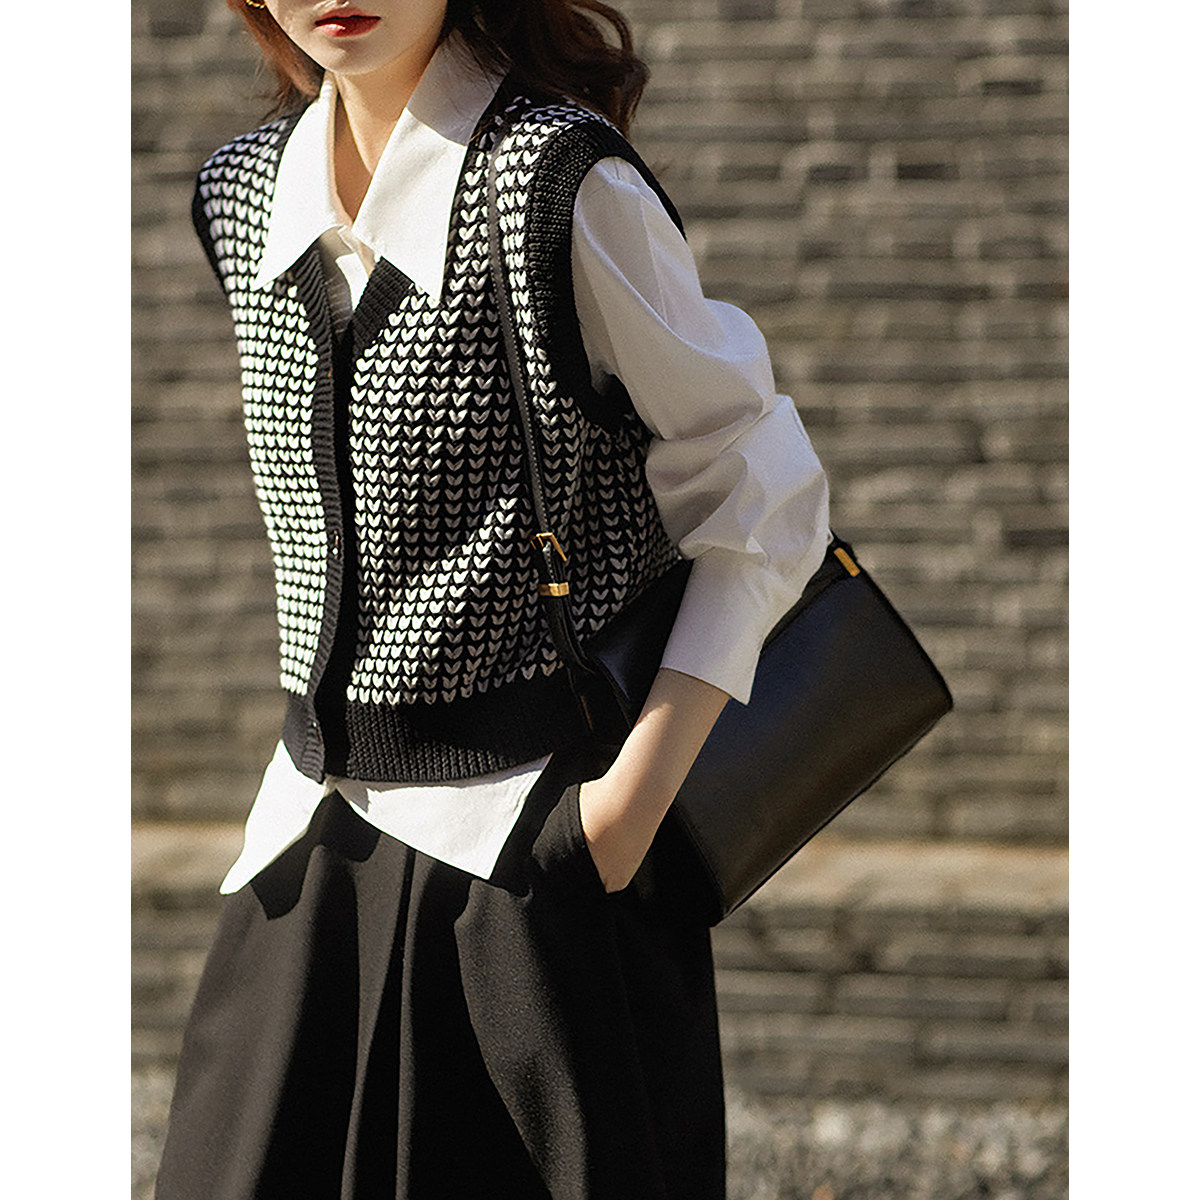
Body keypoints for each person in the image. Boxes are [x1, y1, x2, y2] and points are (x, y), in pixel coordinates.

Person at [156, 1, 830, 1197]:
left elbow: (763, 494)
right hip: (310, 849)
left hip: (528, 858)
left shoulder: (559, 188)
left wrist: (616, 821)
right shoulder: (245, 194)